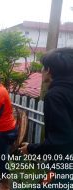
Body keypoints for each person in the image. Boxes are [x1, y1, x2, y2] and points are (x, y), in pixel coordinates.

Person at [19, 48, 73, 185]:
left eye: (43, 68)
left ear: (48, 70)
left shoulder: (56, 95)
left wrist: (31, 148)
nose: (41, 72)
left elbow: (60, 140)